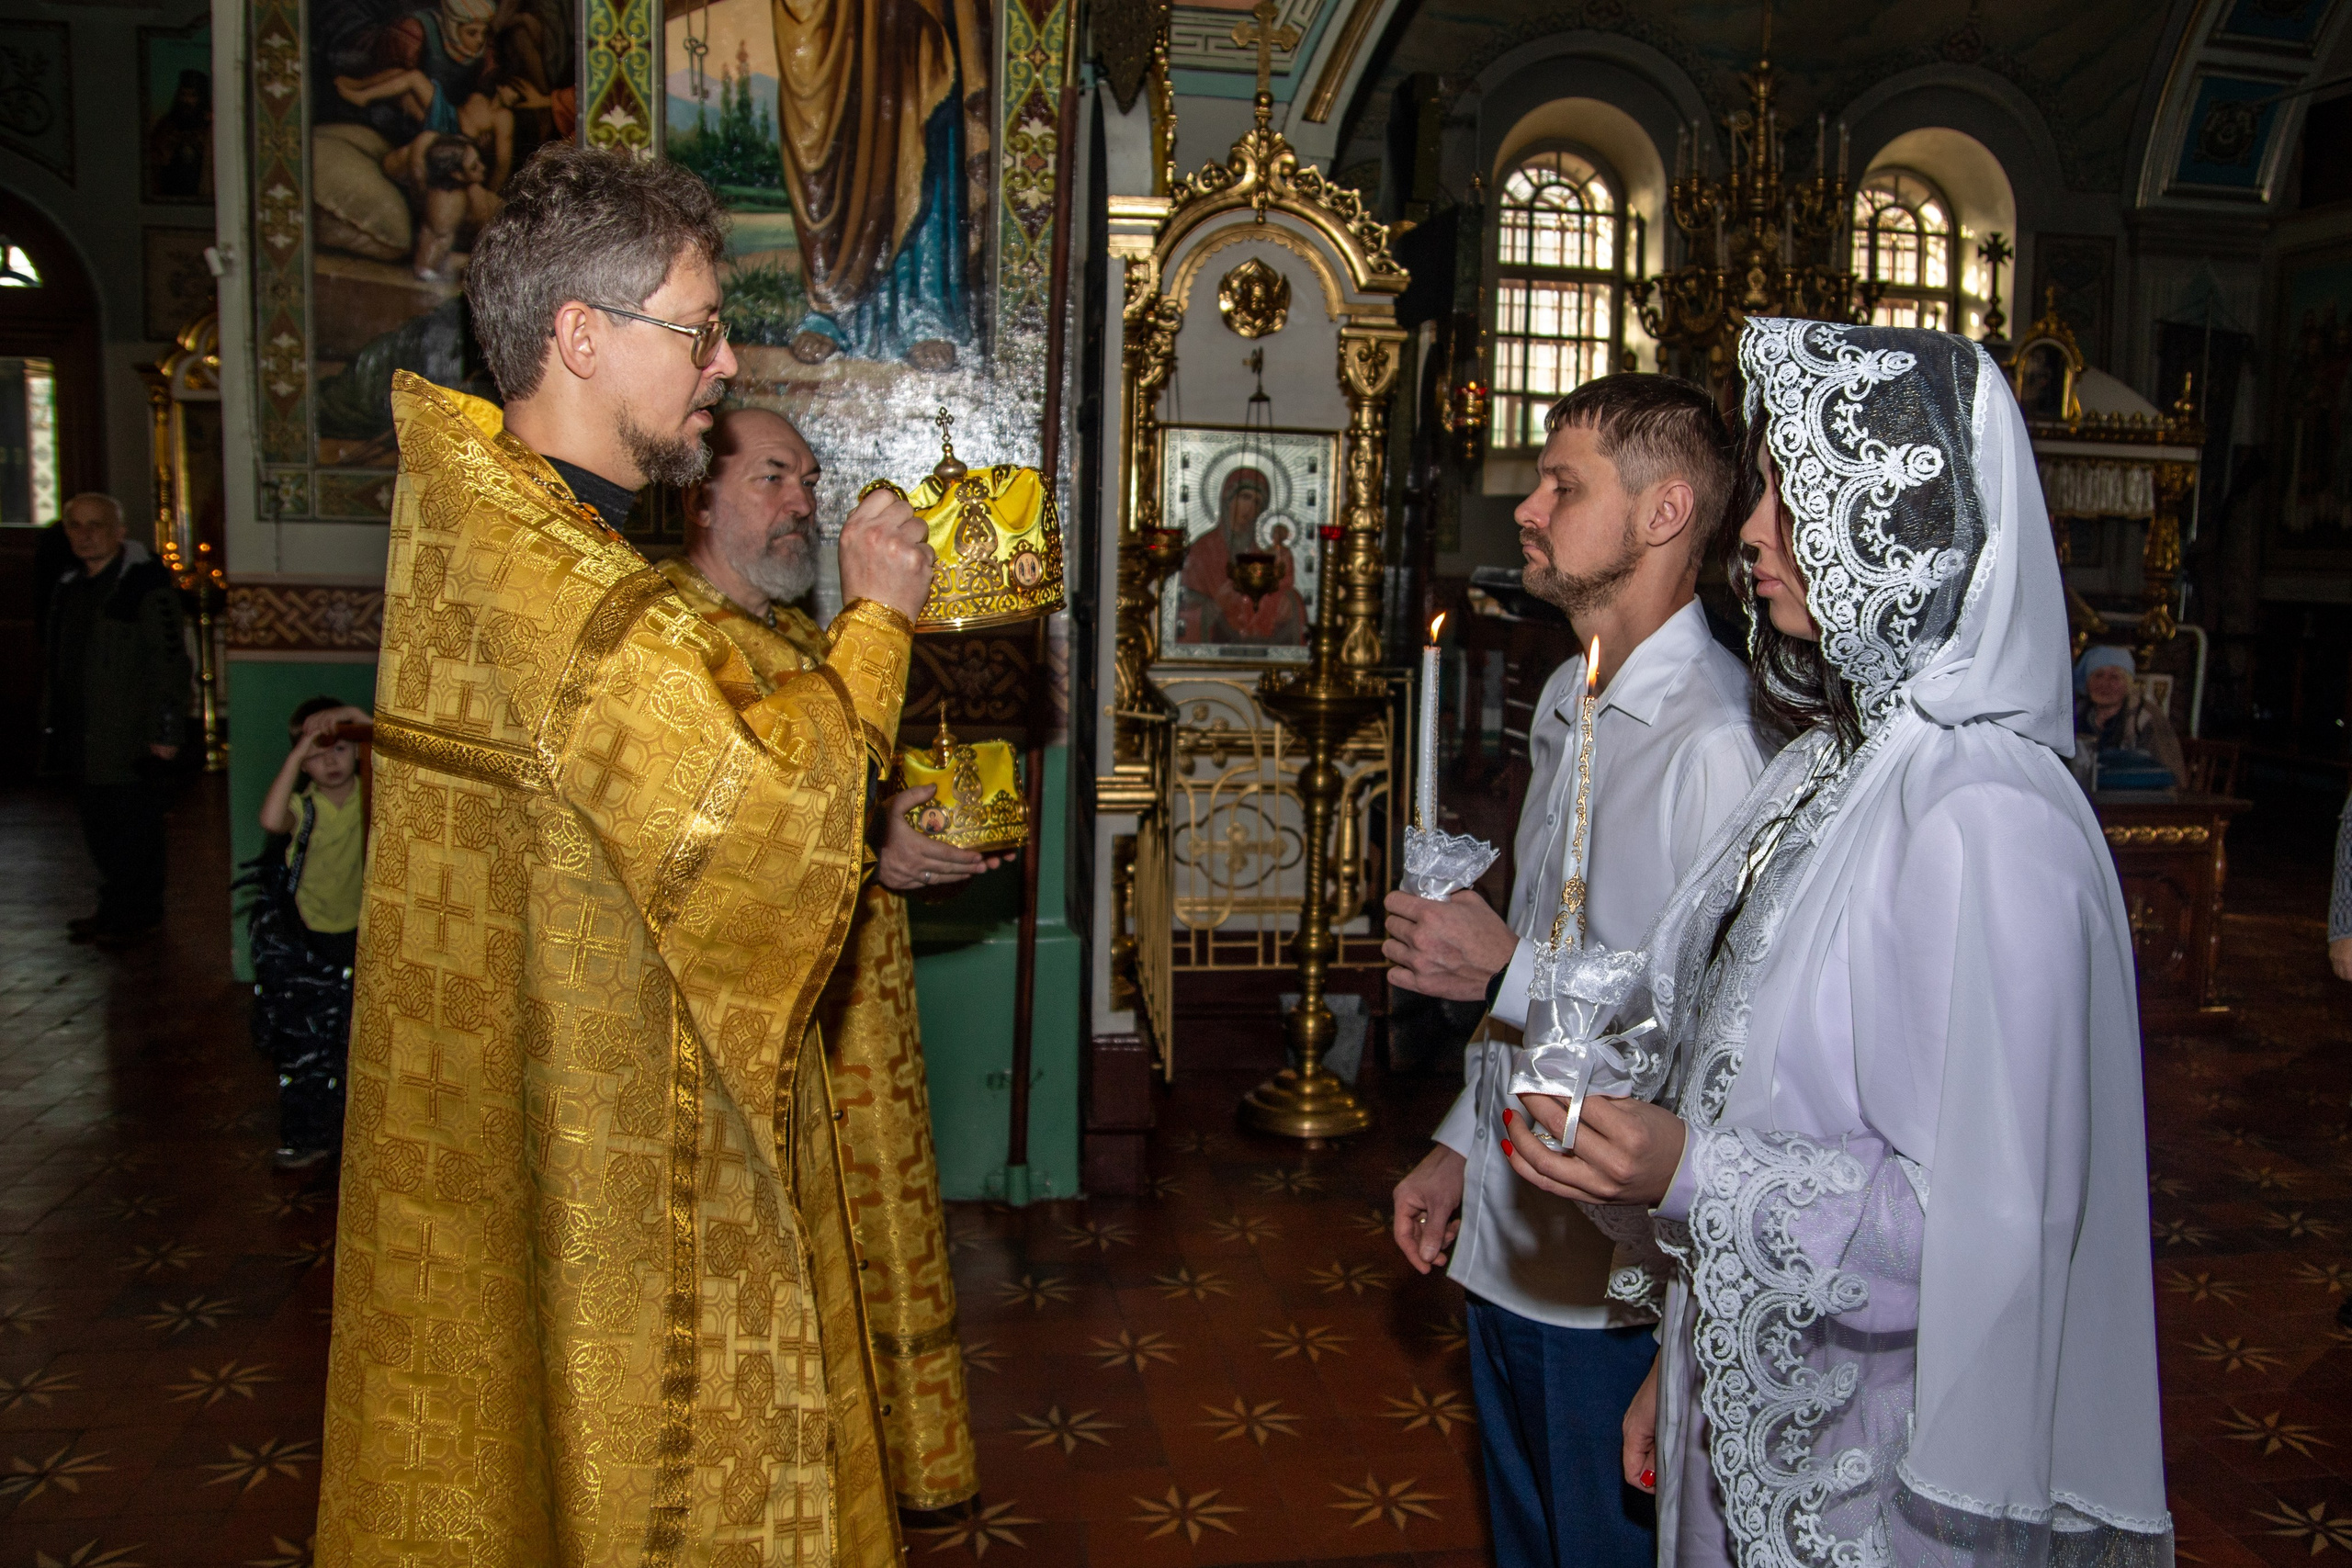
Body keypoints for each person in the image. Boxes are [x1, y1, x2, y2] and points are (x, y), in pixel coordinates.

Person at [314, 142, 935, 1566]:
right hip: (619, 1151)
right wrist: (878, 621)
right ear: (582, 336)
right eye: (699, 326)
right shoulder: (554, 567)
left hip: (567, 1099)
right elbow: (765, 817)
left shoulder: (509, 521)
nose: (721, 364)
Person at [1505, 320, 2171, 1568]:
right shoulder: (1827, 767)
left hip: (1875, 1480)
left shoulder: (1985, 818)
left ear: (1904, 528)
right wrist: (1681, 1362)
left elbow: (1984, 1227)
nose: (1752, 531)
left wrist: (1684, 1170)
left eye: (1790, 493)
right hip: (1757, 1405)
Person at [1382, 374, 1763, 1568]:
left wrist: (1501, 961)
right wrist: (1455, 1136)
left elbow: (1718, 1043)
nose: (1528, 510)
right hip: (1507, 1237)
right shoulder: (1565, 693)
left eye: (1563, 484)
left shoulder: (1720, 744)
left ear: (1663, 513)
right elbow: (1557, 936)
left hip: (1615, 1285)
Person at [657, 405, 993, 1517]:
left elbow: (831, 792)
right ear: (700, 498)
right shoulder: (679, 646)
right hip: (758, 1032)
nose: (803, 501)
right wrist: (865, 836)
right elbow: (725, 848)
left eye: (808, 478)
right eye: (771, 478)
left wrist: (903, 820)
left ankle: (875, 1477)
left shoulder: (803, 643)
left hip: (858, 1014)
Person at [40, 492, 191, 950]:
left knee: (134, 827)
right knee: (98, 826)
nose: (85, 536)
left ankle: (139, 912)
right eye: (75, 526)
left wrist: (165, 733)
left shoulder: (143, 588)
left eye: (96, 525)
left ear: (119, 531)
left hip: (128, 736)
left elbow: (170, 664)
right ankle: (114, 907)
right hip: (84, 734)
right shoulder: (68, 587)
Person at [250, 697, 374, 1170]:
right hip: (308, 943)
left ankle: (356, 1135)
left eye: (341, 749)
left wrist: (360, 722)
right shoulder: (305, 809)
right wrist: (298, 752)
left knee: (353, 1041)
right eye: (319, 754)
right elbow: (269, 820)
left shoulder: (371, 794)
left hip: (360, 935)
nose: (331, 761)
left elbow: (402, 761)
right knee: (306, 1046)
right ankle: (307, 1136)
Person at [2075, 643, 2187, 787]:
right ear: (2087, 682)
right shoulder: (2077, 714)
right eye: (2098, 675)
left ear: (2128, 684)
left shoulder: (2145, 717)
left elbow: (2172, 774)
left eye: (2115, 677)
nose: (2105, 684)